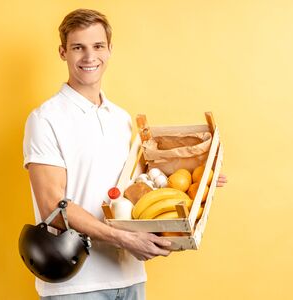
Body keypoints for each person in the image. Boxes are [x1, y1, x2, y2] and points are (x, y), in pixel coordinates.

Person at [23, 8, 227, 299]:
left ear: (109, 50)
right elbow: (53, 208)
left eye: (97, 46)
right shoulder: (46, 119)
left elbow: (130, 190)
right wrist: (123, 238)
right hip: (78, 284)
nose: (89, 57)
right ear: (62, 52)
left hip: (130, 275)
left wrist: (198, 174)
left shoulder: (119, 118)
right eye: (78, 47)